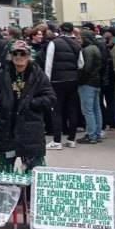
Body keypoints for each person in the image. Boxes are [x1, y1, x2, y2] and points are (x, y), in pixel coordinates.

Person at [0, 40, 55, 172]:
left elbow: (50, 98)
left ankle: (29, 193)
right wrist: (4, 100)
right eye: (15, 53)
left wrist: (30, 103)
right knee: (3, 174)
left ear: (28, 56)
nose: (19, 57)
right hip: (7, 130)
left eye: (22, 53)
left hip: (31, 131)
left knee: (34, 174)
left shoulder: (38, 75)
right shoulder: (1, 74)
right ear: (11, 56)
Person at [42, 22, 83, 150]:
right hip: (73, 80)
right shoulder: (77, 44)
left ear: (60, 30)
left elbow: (48, 63)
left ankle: (57, 141)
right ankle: (71, 139)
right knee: (72, 109)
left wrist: (46, 80)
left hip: (57, 81)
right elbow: (81, 64)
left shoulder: (54, 43)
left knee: (56, 110)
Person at [76, 29, 103, 144]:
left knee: (87, 110)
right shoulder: (95, 48)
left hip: (87, 83)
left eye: (79, 38)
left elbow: (85, 69)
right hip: (96, 82)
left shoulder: (86, 50)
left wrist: (79, 80)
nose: (78, 39)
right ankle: (97, 134)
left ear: (85, 38)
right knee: (96, 110)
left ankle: (91, 135)